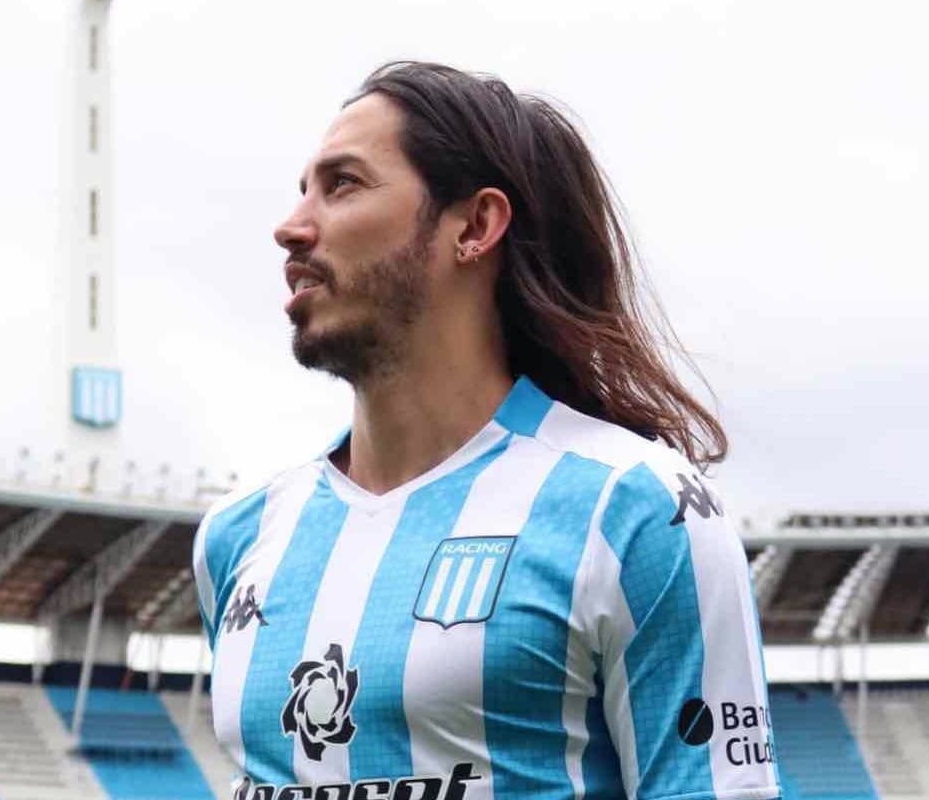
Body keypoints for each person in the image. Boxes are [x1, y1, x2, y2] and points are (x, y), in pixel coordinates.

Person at [194, 61, 779, 800]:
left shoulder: (638, 509)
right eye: (301, 190)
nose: (291, 226)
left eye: (342, 184)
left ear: (473, 226)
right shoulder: (239, 537)